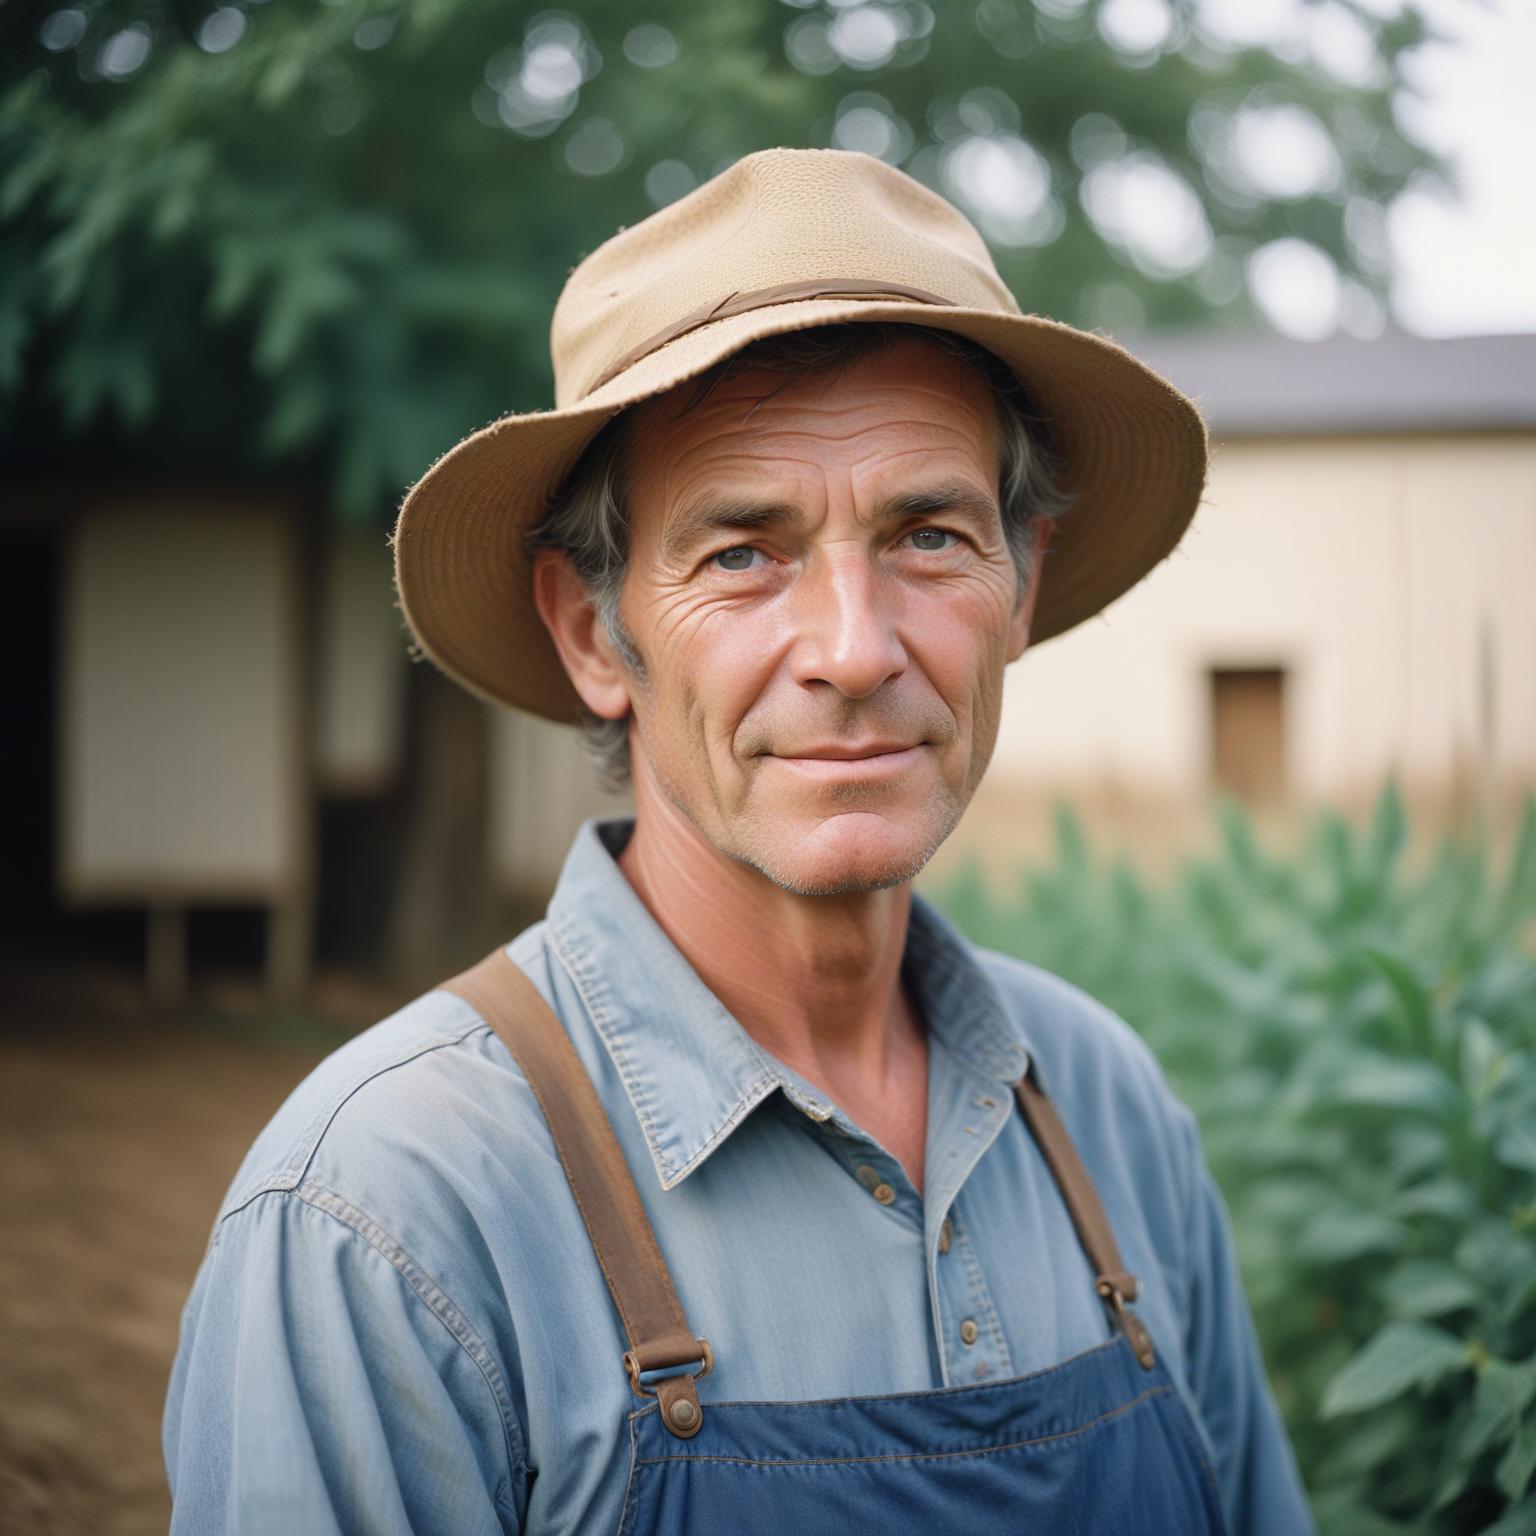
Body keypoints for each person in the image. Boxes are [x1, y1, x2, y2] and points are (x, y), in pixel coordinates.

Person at [163, 147, 1314, 1534]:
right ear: (596, 632)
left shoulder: (1104, 1112)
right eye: (741, 554)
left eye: (931, 535)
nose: (852, 648)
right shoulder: (390, 1210)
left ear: (1023, 586)